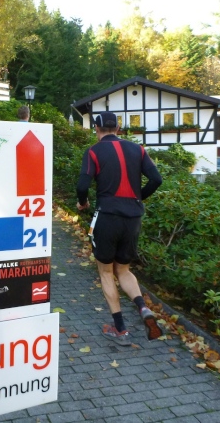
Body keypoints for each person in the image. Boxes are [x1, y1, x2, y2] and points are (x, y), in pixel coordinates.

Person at [76, 111, 163, 346]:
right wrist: (137, 198)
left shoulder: (93, 151)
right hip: (133, 218)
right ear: (118, 128)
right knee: (123, 270)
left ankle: (121, 329)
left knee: (106, 272)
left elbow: (83, 184)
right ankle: (143, 308)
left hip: (107, 216)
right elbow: (157, 179)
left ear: (96, 128)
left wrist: (82, 203)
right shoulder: (138, 150)